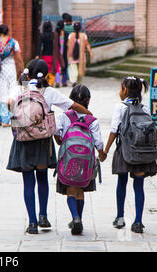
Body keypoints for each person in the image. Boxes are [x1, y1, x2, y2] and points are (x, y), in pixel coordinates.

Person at [6, 59, 93, 235]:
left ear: (27, 73)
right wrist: (89, 113)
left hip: (23, 139)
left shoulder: (19, 88)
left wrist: (19, 117)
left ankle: (32, 223)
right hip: (43, 141)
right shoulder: (50, 91)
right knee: (42, 178)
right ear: (46, 75)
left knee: (28, 182)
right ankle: (43, 216)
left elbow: (9, 103)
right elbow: (72, 105)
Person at [103, 76, 157, 234]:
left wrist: (105, 151)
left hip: (125, 151)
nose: (120, 92)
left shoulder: (120, 107)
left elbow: (114, 130)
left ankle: (120, 218)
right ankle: (138, 222)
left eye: (121, 88)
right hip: (141, 152)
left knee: (122, 183)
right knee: (139, 186)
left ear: (125, 90)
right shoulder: (144, 108)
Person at [54, 85, 106, 235]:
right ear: (88, 100)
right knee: (80, 189)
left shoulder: (64, 116)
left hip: (68, 159)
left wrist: (60, 141)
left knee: (71, 189)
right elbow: (98, 142)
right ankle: (79, 218)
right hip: (85, 161)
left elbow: (57, 132)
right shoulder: (92, 120)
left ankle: (75, 217)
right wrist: (102, 154)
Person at [67, 21, 93, 86]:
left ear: (73, 28)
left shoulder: (71, 35)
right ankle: (78, 82)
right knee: (80, 70)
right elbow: (87, 44)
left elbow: (67, 44)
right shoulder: (84, 36)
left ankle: (74, 81)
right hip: (81, 56)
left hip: (72, 56)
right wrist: (90, 52)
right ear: (80, 28)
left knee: (73, 69)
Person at [35, 21, 56, 87]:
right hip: (52, 54)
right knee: (52, 68)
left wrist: (38, 54)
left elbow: (39, 45)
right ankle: (51, 82)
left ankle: (46, 81)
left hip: (45, 55)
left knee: (45, 68)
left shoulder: (42, 35)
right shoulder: (53, 35)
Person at [53, 21, 68, 88]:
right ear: (63, 27)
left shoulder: (54, 33)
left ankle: (57, 81)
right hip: (64, 53)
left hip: (56, 53)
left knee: (57, 67)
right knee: (64, 67)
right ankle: (64, 82)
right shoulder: (66, 34)